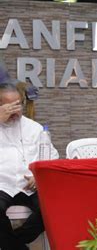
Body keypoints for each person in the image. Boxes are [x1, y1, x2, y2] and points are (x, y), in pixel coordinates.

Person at [0, 83, 59, 250]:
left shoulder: (34, 128)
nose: (15, 110)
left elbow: (51, 157)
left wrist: (38, 175)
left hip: (30, 185)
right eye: (9, 106)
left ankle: (14, 243)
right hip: (2, 185)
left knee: (53, 205)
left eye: (18, 104)